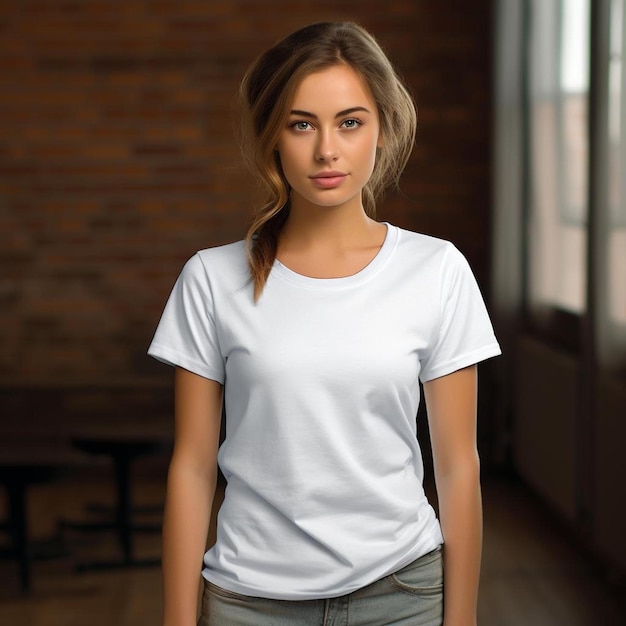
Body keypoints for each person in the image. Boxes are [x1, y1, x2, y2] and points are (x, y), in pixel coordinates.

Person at [148, 21, 501, 626]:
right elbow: (192, 467)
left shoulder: (437, 270)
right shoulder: (210, 278)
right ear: (272, 136)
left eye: (350, 122)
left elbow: (457, 463)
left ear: (381, 129)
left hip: (402, 596)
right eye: (302, 123)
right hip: (248, 601)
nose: (327, 151)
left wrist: (461, 618)